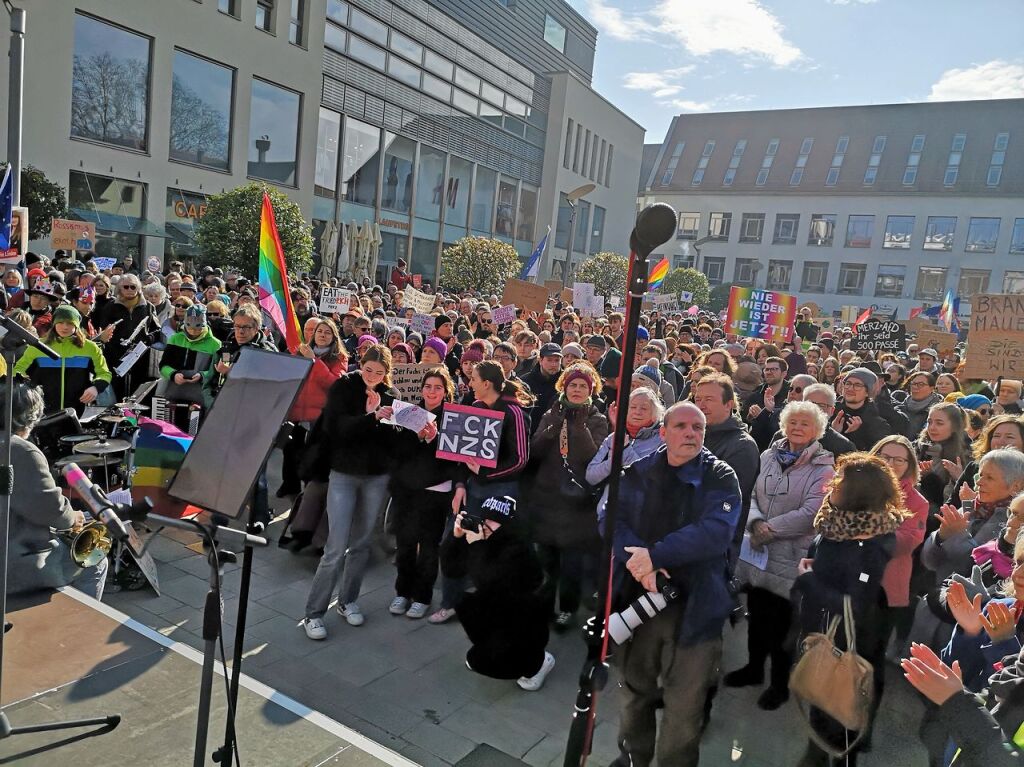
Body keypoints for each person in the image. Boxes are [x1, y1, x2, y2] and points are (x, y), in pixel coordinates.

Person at [604, 401, 741, 767]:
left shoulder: (721, 476)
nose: (691, 433)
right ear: (663, 432)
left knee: (684, 708)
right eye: (681, 426)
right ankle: (633, 756)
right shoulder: (638, 471)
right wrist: (640, 563)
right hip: (642, 603)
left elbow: (715, 532)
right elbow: (611, 519)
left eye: (698, 428)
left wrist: (656, 556)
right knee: (635, 691)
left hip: (698, 609)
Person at [792, 452, 908, 766]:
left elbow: (855, 603)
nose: (833, 482)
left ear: (859, 491)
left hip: (849, 641)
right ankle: (814, 754)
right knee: (820, 701)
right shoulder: (836, 523)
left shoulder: (871, 542)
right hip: (824, 629)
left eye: (841, 479)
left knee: (841, 711)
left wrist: (809, 581)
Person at [728, 400, 833, 711]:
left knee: (784, 626)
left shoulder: (823, 467)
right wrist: (756, 522)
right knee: (757, 616)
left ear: (817, 430)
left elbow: (813, 511)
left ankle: (779, 685)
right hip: (758, 553)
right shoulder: (768, 455)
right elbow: (750, 494)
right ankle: (753, 669)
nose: (797, 428)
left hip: (790, 556)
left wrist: (770, 528)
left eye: (805, 423)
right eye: (793, 422)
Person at [301, 344, 399, 639]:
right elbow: (336, 429)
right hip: (343, 474)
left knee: (361, 543)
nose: (372, 376)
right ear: (361, 364)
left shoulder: (390, 396)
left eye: (379, 372)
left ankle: (347, 600)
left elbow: (391, 444)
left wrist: (395, 423)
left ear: (387, 374)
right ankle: (314, 613)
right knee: (335, 546)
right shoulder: (344, 387)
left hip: (375, 477)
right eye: (368, 369)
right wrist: (370, 418)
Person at [6, 379, 107, 600]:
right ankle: (78, 629)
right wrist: (74, 517)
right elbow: (50, 511)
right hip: (15, 560)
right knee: (96, 561)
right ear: (31, 417)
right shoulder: (21, 451)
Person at [528, 363, 608, 630]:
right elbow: (535, 450)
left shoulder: (598, 419)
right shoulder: (552, 412)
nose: (576, 390)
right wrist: (554, 426)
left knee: (571, 564)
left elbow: (594, 455)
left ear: (591, 389)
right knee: (546, 560)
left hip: (576, 504)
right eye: (572, 385)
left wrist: (579, 425)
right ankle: (545, 605)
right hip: (548, 499)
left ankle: (568, 609)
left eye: (582, 386)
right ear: (564, 386)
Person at [387, 366, 458, 619]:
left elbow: (452, 460)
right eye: (428, 386)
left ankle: (423, 596)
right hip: (408, 490)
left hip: (436, 492)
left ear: (446, 391)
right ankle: (402, 592)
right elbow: (397, 452)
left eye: (438, 387)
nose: (432, 391)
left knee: (428, 545)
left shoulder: (453, 418)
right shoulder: (410, 414)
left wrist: (434, 439)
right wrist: (416, 438)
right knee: (405, 543)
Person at [870, 436, 929, 671]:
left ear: (909, 465)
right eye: (884, 456)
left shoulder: (916, 501)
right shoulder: (853, 485)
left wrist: (866, 533)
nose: (890, 463)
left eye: (898, 459)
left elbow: (909, 540)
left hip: (886, 580)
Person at [278, 319, 347, 499]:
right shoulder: (301, 352)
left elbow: (334, 384)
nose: (322, 335)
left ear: (334, 337)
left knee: (311, 457)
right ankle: (290, 486)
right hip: (296, 413)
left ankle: (309, 495)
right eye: (319, 331)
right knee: (290, 451)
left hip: (318, 417)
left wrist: (314, 361)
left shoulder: (339, 358)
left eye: (327, 332)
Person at [693, 372, 760, 536]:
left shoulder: (742, 446)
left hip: (714, 540)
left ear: (728, 404)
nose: (701, 405)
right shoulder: (692, 435)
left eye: (709, 399)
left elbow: (725, 500)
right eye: (698, 399)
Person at [15, 305, 112, 415]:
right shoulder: (37, 346)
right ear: (54, 323)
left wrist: (95, 387)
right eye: (60, 322)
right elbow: (17, 371)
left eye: (70, 323)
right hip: (40, 410)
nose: (65, 327)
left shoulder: (90, 348)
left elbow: (104, 373)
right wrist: (28, 390)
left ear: (77, 325)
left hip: (76, 409)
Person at [98, 273, 159, 398]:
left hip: (140, 357)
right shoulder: (110, 307)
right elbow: (103, 330)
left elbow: (157, 330)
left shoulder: (148, 307)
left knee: (137, 394)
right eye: (126, 287)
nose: (130, 290)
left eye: (133, 287)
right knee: (117, 392)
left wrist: (148, 339)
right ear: (119, 288)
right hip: (116, 357)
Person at [158, 304, 221, 417]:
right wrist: (173, 374)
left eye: (198, 327)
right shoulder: (175, 338)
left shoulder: (215, 344)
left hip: (200, 393)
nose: (193, 331)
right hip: (174, 390)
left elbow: (215, 372)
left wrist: (202, 375)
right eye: (189, 327)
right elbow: (163, 365)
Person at [832, 367, 895, 451]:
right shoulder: (829, 412)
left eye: (857, 385)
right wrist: (833, 433)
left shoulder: (878, 425)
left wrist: (854, 435)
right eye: (848, 383)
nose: (850, 388)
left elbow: (873, 458)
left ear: (867, 392)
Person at [802, 383, 857, 458]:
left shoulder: (844, 447)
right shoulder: (786, 434)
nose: (814, 409)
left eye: (821, 405)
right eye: (809, 404)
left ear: (832, 410)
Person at [522, 342, 562, 434]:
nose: (553, 364)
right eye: (549, 360)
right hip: (529, 433)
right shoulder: (525, 382)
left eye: (557, 360)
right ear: (540, 360)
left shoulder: (566, 382)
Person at [898, 371, 944, 438]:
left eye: (921, 384)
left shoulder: (938, 411)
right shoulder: (900, 406)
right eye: (913, 384)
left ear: (932, 388)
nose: (916, 387)